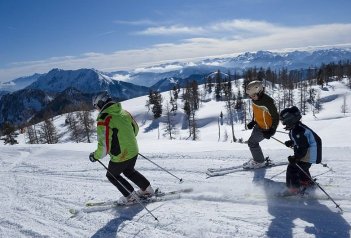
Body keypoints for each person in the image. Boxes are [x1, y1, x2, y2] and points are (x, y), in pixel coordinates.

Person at [89, 91, 154, 204]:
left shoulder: (104, 119)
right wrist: (126, 141)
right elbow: (135, 130)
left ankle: (130, 196)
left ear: (100, 103)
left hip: (120, 155)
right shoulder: (124, 112)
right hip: (133, 150)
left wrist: (95, 156)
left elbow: (104, 147)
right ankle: (147, 189)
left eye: (95, 106)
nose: (96, 109)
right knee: (129, 171)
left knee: (112, 175)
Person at [280, 106, 322, 195]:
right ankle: (307, 182)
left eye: (283, 121)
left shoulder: (297, 130)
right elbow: (302, 141)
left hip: (309, 153)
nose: (283, 123)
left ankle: (294, 189)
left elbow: (303, 146)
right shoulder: (297, 128)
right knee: (303, 168)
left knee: (293, 168)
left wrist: (296, 157)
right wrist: (292, 142)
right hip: (312, 152)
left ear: (290, 119)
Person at [244, 80, 279, 169]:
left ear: (259, 92)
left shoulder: (268, 102)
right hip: (258, 125)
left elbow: (276, 117)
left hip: (266, 128)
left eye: (253, 95)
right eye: (250, 96)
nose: (252, 97)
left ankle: (259, 162)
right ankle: (258, 158)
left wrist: (272, 130)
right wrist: (254, 121)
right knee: (252, 142)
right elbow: (257, 112)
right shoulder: (256, 100)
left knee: (252, 143)